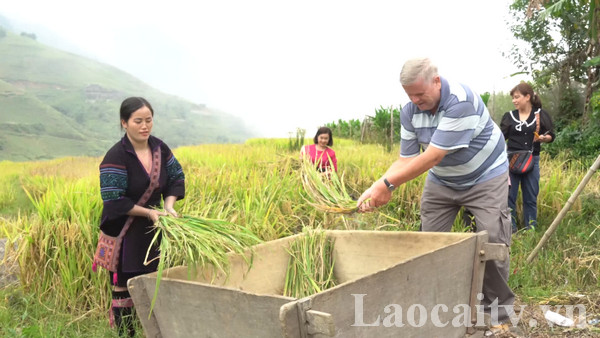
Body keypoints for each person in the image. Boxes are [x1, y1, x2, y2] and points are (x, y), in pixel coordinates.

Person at [357, 58, 515, 334]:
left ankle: (498, 312)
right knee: (428, 242)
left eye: (420, 93)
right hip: (443, 180)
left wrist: (388, 185)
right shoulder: (409, 111)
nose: (416, 100)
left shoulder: (461, 101)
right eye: (410, 95)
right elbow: (406, 159)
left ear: (437, 81)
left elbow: (433, 155)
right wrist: (375, 187)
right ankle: (436, 304)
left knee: (490, 238)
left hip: (485, 176)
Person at [98, 97, 185, 336]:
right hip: (124, 231)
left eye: (148, 120)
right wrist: (149, 212)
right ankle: (127, 334)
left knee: (154, 282)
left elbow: (176, 177)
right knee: (124, 287)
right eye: (138, 121)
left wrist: (168, 207)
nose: (144, 126)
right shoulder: (116, 156)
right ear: (124, 123)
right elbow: (113, 199)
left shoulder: (159, 148)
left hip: (153, 229)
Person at [501, 82, 554, 233]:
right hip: (510, 161)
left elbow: (551, 134)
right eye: (513, 98)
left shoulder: (540, 115)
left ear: (527, 97)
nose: (514, 101)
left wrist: (545, 138)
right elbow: (500, 138)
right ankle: (511, 230)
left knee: (530, 196)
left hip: (532, 160)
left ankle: (531, 229)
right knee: (508, 196)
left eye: (517, 97)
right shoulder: (509, 117)